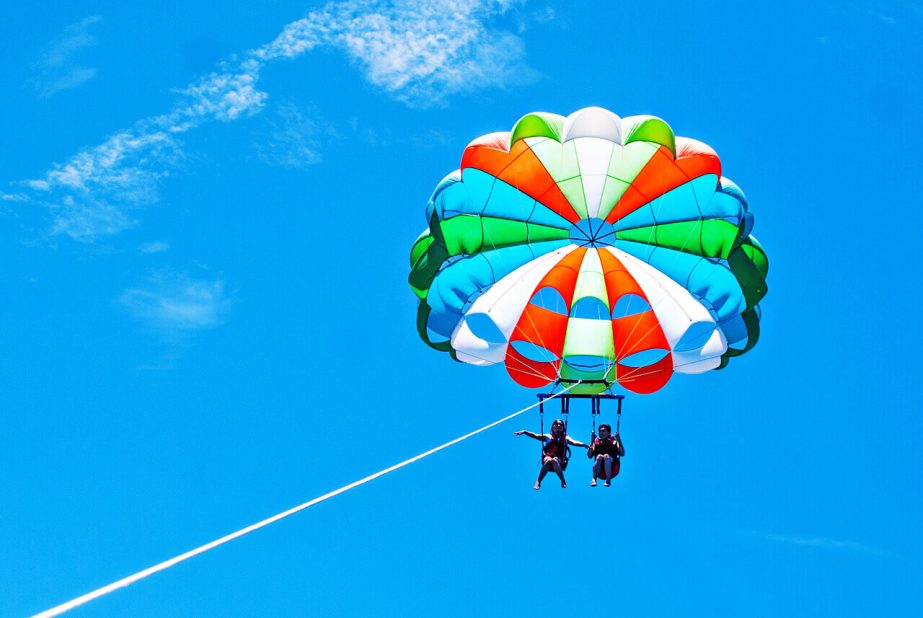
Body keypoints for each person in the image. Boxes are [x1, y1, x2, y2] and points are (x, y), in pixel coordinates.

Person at [515, 419, 589, 490]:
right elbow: (535, 436)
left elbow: (574, 442)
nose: (558, 425)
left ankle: (563, 480)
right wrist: (525, 432)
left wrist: (583, 445)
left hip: (559, 461)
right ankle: (538, 481)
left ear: (563, 428)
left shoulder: (566, 437)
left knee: (554, 460)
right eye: (556, 424)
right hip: (547, 458)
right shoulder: (548, 436)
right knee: (548, 460)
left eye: (560, 425)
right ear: (553, 427)